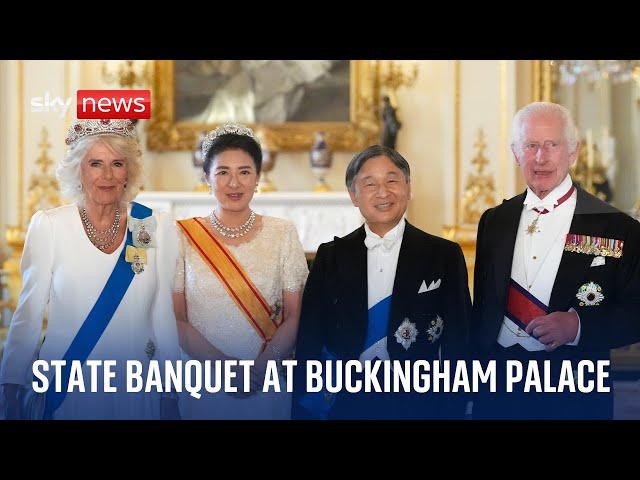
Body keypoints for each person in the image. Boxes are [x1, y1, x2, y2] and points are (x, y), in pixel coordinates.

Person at [0, 119, 181, 420]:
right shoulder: (50, 226)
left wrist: (170, 390)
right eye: (95, 163)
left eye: (117, 164)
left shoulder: (151, 226)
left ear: (129, 171)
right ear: (79, 170)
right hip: (68, 386)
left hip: (136, 388)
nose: (107, 175)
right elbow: (27, 316)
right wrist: (10, 386)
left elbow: (164, 317)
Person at [472, 102, 640, 419]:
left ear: (573, 152)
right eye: (531, 145)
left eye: (552, 145)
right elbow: (483, 308)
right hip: (497, 390)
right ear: (515, 153)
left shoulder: (617, 228)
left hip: (575, 392)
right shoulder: (493, 221)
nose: (540, 157)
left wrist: (579, 326)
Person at [293, 145, 471, 419]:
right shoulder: (330, 256)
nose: (383, 192)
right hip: (346, 400)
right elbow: (310, 337)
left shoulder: (443, 254)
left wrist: (455, 406)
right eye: (369, 184)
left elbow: (459, 338)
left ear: (408, 188)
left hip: (419, 401)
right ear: (354, 195)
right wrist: (306, 400)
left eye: (392, 180)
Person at [173, 123, 308, 419]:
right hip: (203, 378)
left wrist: (261, 368)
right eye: (223, 172)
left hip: (267, 378)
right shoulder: (182, 235)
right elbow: (178, 320)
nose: (234, 183)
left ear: (258, 178)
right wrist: (223, 367)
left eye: (244, 172)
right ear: (206, 178)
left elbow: (296, 315)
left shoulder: (282, 233)